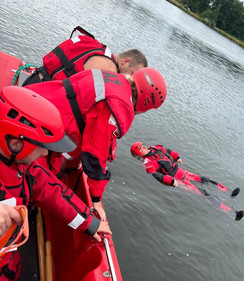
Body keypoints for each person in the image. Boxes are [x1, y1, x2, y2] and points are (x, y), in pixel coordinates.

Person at [0, 86, 111, 281]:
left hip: (7, 251)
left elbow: (54, 192)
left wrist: (89, 224)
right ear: (16, 143)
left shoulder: (26, 170)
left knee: (14, 272)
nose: (47, 153)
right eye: (42, 146)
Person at [25, 67, 167, 220]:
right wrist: (96, 199)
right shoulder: (117, 106)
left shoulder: (112, 78)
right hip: (40, 130)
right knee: (30, 183)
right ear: (146, 103)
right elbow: (95, 152)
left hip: (39, 102)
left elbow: (84, 114)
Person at [130, 142, 244, 221]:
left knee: (204, 179)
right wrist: (171, 181)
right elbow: (155, 175)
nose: (144, 147)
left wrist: (177, 157)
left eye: (143, 145)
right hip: (179, 180)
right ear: (139, 153)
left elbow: (168, 151)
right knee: (204, 193)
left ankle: (229, 192)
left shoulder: (155, 148)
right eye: (141, 148)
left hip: (183, 172)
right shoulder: (148, 162)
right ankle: (232, 212)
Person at [22, 26, 148, 85]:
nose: (131, 80)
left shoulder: (99, 48)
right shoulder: (110, 70)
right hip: (41, 93)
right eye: (132, 74)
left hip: (35, 78)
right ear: (125, 62)